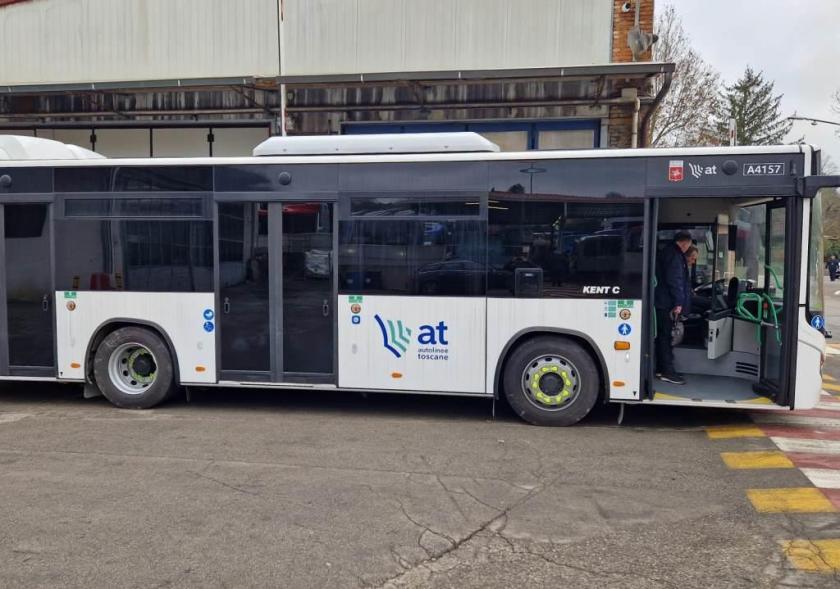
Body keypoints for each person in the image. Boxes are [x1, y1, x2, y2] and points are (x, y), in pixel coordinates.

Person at [654, 232, 693, 385]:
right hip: (666, 304)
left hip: (662, 302)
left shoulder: (668, 253)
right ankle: (667, 372)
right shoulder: (674, 256)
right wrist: (678, 303)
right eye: (688, 246)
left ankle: (661, 368)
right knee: (665, 338)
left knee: (663, 337)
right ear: (685, 243)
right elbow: (675, 281)